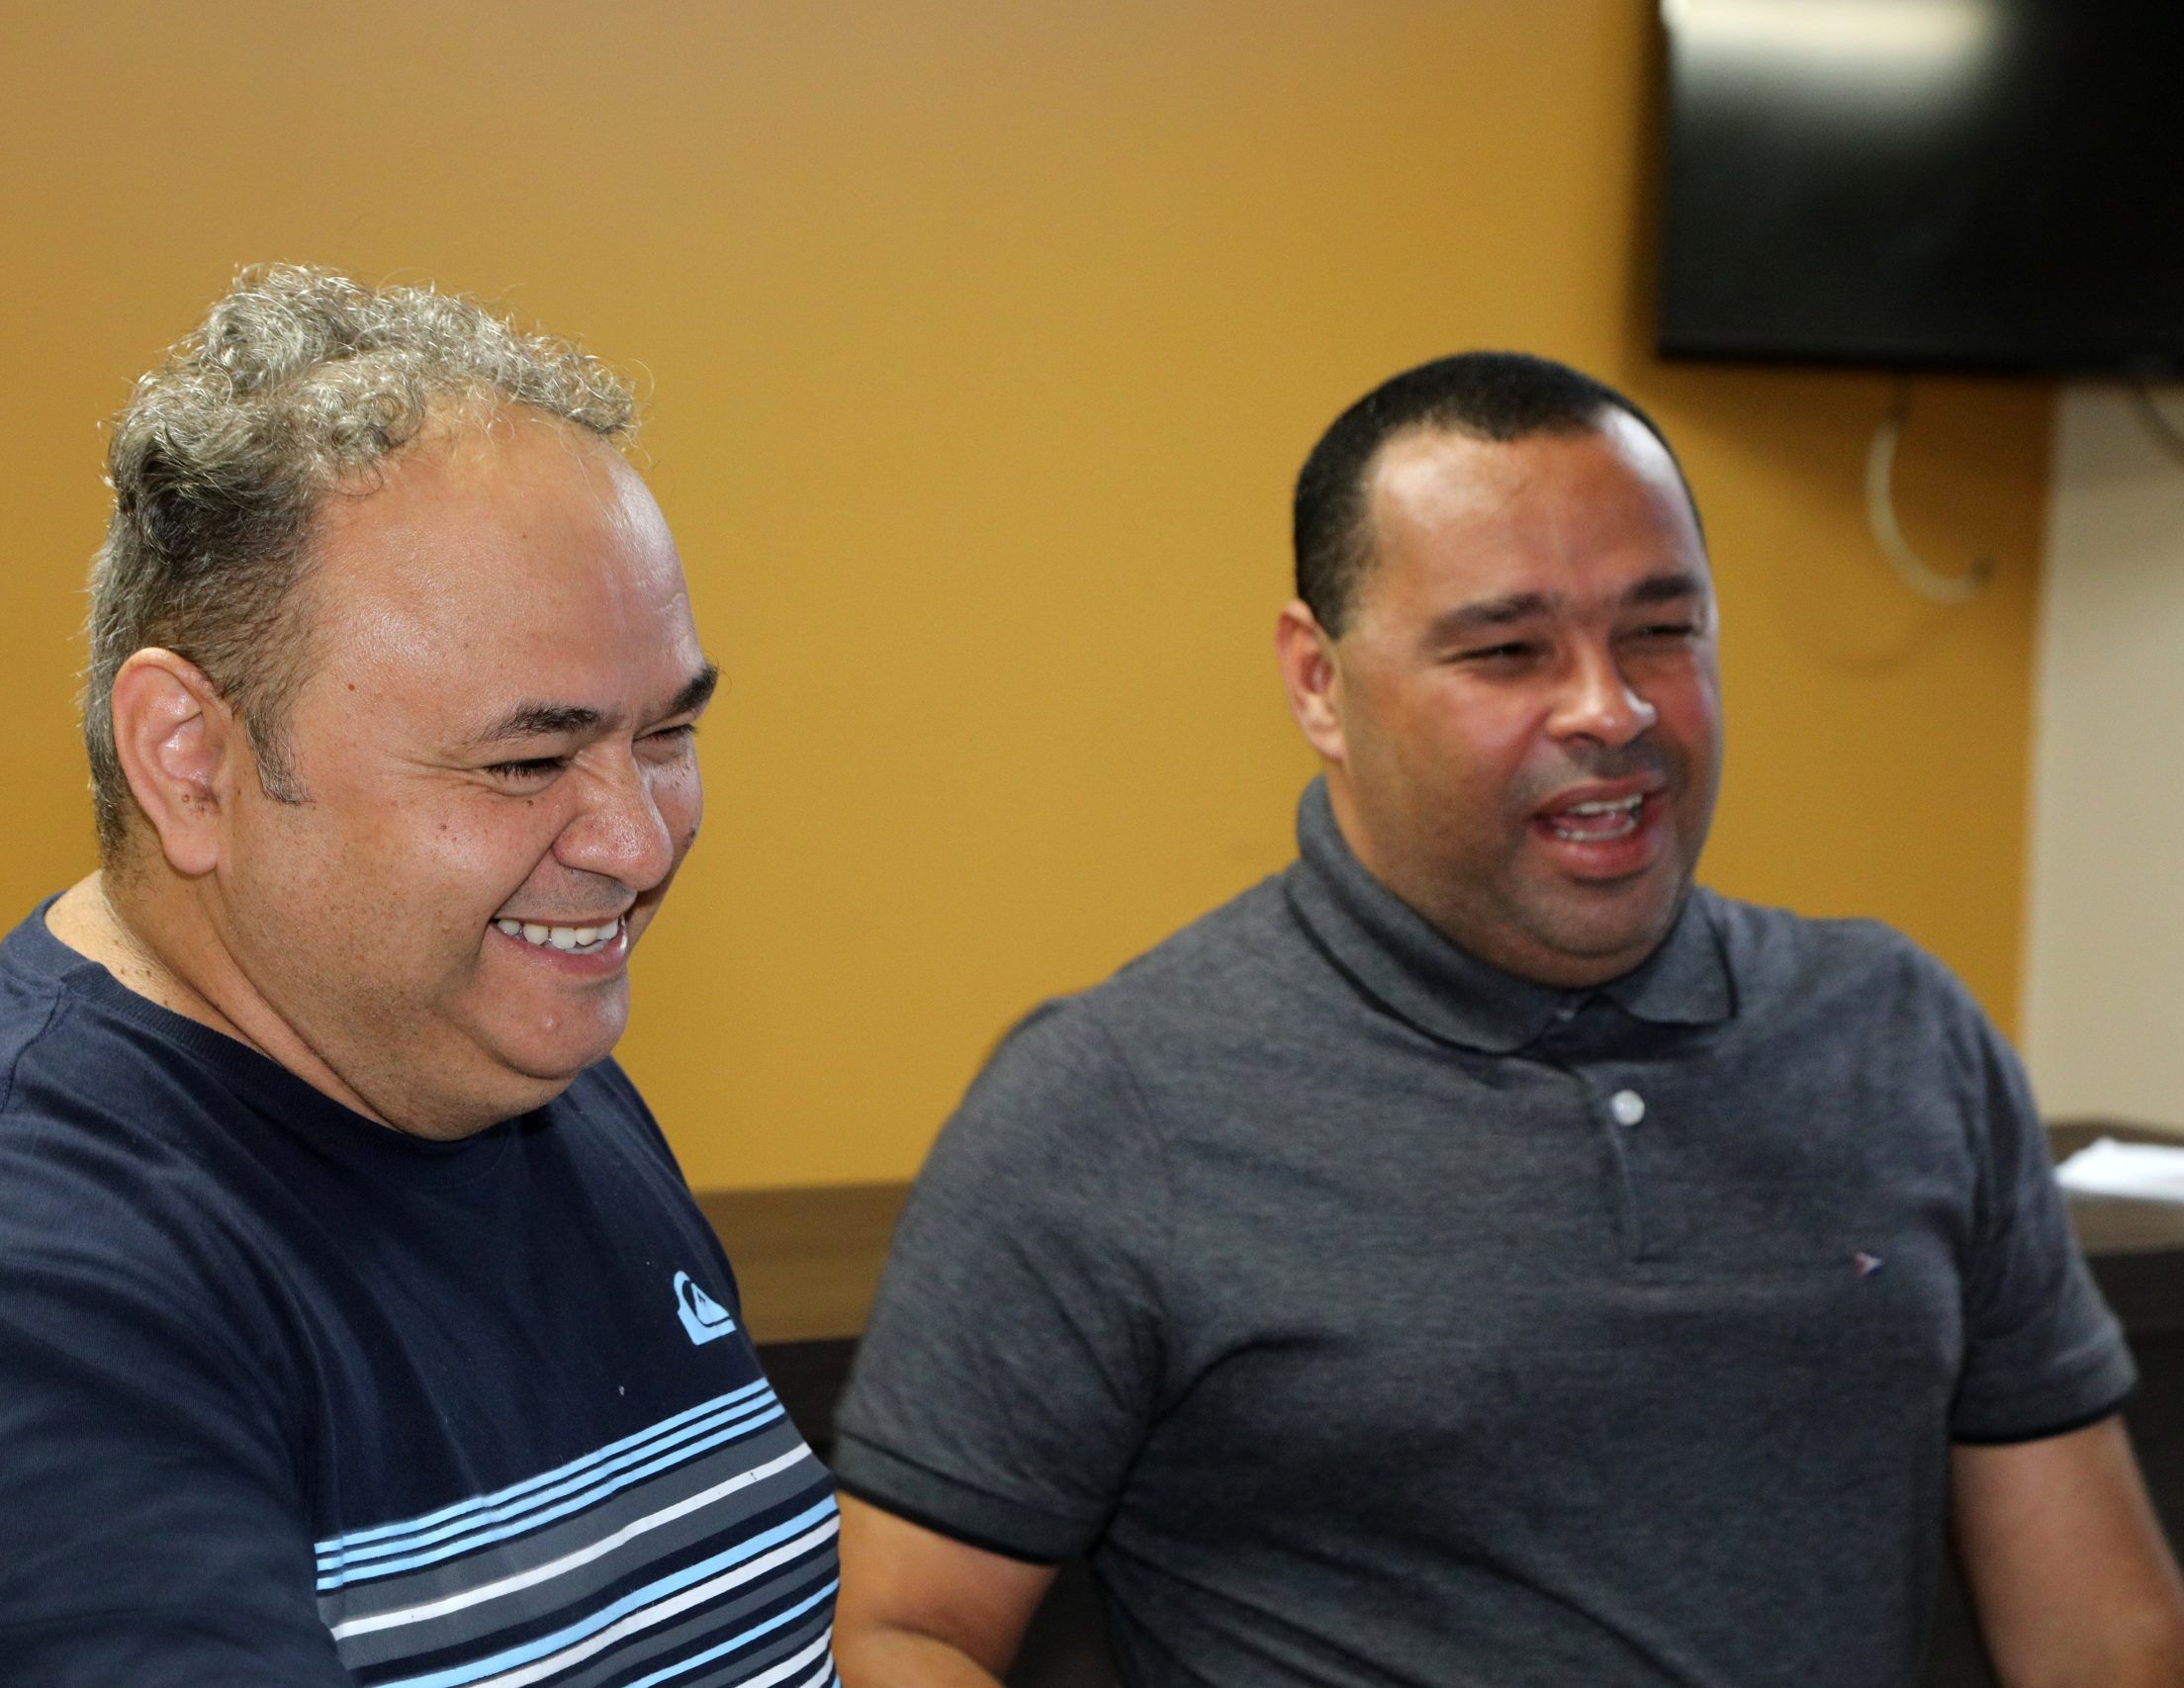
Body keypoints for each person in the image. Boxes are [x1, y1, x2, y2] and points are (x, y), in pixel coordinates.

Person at [828, 352, 2184, 1687]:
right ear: (1318, 682)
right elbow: (902, 1634)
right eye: (1507, 650)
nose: (1612, 707)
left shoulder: (1902, 1038)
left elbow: (2107, 1637)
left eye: (1662, 628)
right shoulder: (1109, 1105)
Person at [0, 266, 838, 1687]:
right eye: (526, 760)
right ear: (189, 758)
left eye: (664, 736)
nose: (636, 842)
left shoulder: (498, 1067)